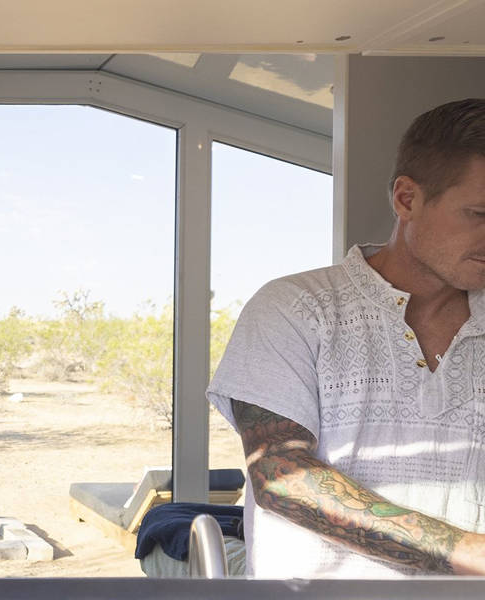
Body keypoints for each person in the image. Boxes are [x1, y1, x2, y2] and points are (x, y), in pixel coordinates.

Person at [207, 98, 485, 578]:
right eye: (479, 213)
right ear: (407, 199)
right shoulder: (294, 308)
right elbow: (282, 478)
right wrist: (467, 554)